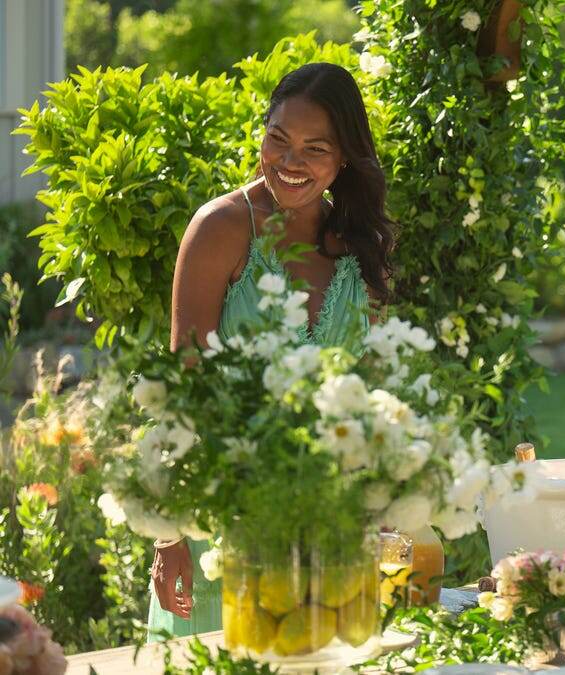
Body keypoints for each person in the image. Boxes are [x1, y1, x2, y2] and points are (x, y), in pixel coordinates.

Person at [149, 62, 395, 637]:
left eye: (316, 148)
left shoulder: (360, 247)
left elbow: (372, 397)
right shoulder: (221, 228)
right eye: (278, 139)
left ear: (345, 157)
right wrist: (168, 532)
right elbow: (182, 385)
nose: (290, 161)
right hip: (220, 524)